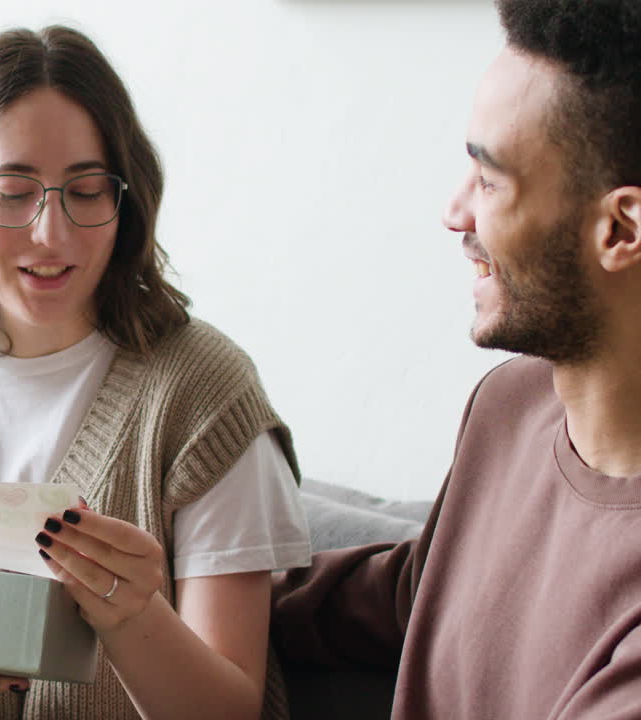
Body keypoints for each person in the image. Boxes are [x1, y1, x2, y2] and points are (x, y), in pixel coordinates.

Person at [0, 25, 310, 720]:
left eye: (87, 191)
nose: (51, 235)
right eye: (13, 191)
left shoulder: (204, 394)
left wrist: (129, 618)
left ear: (124, 201)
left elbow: (231, 712)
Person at [271, 1, 641, 717]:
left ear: (620, 228)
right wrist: (184, 585)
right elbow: (413, 593)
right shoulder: (512, 404)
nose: (454, 212)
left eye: (491, 180)